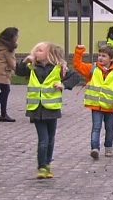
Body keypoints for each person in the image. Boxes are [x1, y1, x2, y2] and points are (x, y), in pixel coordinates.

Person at [16, 42, 81, 179]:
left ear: (49, 54)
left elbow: (76, 77)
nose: (36, 53)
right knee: (43, 140)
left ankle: (48, 164)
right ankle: (41, 166)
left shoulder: (59, 68)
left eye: (39, 50)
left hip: (52, 109)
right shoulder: (32, 67)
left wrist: (63, 85)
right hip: (36, 109)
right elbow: (18, 71)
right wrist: (25, 61)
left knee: (51, 139)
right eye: (35, 51)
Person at [73, 44, 113, 159]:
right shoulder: (93, 68)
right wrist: (79, 52)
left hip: (110, 106)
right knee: (96, 127)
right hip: (96, 105)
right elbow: (77, 66)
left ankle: (108, 148)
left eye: (104, 56)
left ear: (111, 59)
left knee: (109, 127)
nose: (100, 58)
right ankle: (95, 148)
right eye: (99, 55)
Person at [0, 27, 20, 123]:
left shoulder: (1, 44)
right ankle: (2, 113)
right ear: (11, 37)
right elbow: (11, 62)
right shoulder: (8, 49)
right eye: (16, 35)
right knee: (6, 90)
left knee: (5, 90)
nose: (18, 37)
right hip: (1, 71)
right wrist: (21, 70)